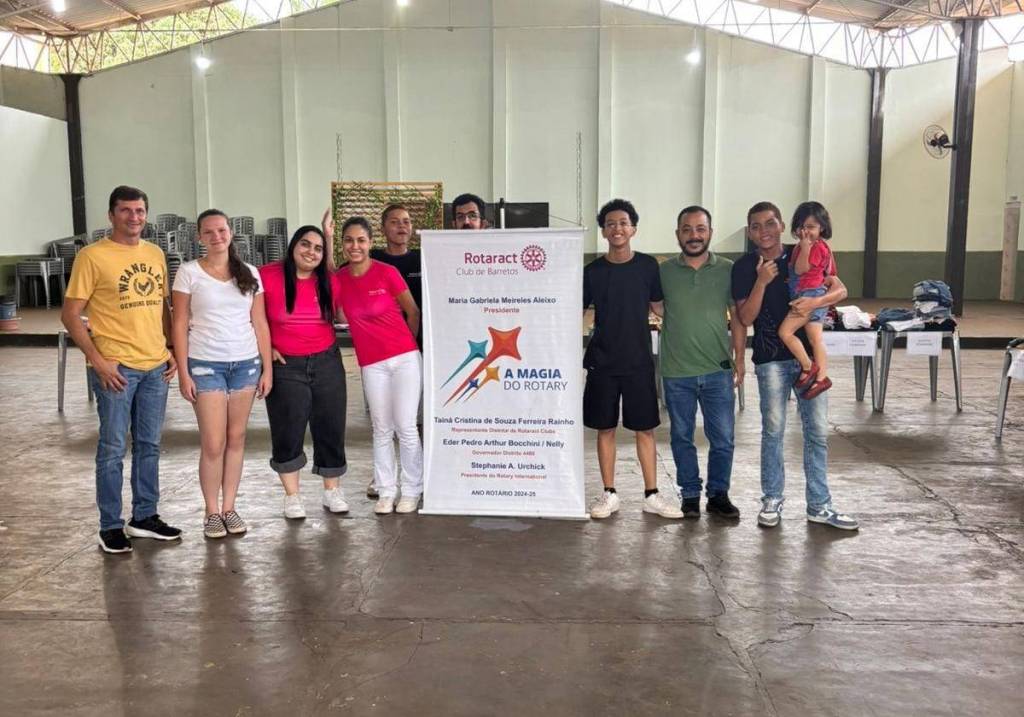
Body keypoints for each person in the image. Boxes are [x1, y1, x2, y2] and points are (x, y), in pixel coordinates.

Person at [61, 185, 182, 553]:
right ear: (111, 215)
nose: (134, 217)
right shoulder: (92, 257)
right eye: (126, 210)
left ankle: (144, 516)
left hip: (155, 366)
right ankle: (110, 525)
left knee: (149, 445)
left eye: (140, 210)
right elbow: (70, 314)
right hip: (117, 368)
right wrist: (97, 360)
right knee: (113, 447)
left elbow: (162, 307)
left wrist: (171, 348)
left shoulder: (155, 253)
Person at [732, 201, 858, 530]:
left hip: (809, 363)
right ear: (750, 233)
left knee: (816, 433)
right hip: (770, 360)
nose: (764, 231)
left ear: (781, 225)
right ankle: (772, 499)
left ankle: (820, 505)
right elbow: (744, 317)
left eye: (770, 223)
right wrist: (761, 281)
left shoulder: (804, 250)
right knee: (773, 433)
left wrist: (816, 301)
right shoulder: (744, 267)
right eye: (756, 226)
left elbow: (840, 289)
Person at [171, 209, 273, 538]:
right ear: (199, 237)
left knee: (236, 438)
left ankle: (229, 507)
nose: (217, 237)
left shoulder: (250, 273)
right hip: (205, 366)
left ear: (230, 233)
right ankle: (211, 511)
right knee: (213, 443)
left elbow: (260, 322)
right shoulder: (188, 272)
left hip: (246, 365)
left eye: (222, 230)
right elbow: (179, 323)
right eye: (209, 232)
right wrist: (184, 372)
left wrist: (267, 368)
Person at [583, 199, 682, 520]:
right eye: (610, 224)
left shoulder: (648, 266)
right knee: (605, 428)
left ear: (633, 229)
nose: (617, 229)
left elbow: (660, 307)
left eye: (623, 223)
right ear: (603, 231)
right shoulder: (592, 272)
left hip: (638, 361)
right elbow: (577, 311)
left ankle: (651, 494)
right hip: (602, 362)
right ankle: (609, 493)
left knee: (645, 429)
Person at [658, 206, 746, 520]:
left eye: (700, 229)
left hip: (717, 370)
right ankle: (690, 495)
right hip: (676, 372)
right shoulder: (664, 272)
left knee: (723, 439)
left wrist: (740, 358)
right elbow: (657, 306)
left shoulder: (727, 269)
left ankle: (718, 494)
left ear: (710, 232)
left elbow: (737, 317)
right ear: (677, 234)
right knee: (681, 437)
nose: (693, 235)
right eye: (687, 229)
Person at [259, 226, 349, 519]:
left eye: (318, 248)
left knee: (331, 426)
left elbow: (342, 315)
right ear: (293, 246)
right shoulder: (267, 276)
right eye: (305, 244)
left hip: (326, 361)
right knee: (288, 429)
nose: (311, 252)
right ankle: (292, 496)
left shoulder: (329, 281)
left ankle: (332, 490)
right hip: (286, 365)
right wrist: (264, 349)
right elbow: (247, 315)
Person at [335, 217, 423, 515]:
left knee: (406, 426)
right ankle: (387, 491)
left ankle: (411, 490)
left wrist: (405, 347)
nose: (355, 246)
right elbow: (334, 305)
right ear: (342, 244)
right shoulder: (340, 279)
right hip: (372, 364)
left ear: (370, 243)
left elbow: (413, 311)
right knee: (381, 428)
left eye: (361, 240)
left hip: (404, 360)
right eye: (349, 240)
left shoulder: (387, 272)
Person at [777, 201, 837, 399]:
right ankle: (821, 378)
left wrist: (804, 249)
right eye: (801, 227)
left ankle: (808, 366)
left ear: (822, 228)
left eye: (811, 227)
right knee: (815, 339)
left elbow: (801, 269)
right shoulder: (814, 246)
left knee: (785, 332)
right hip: (811, 293)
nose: (805, 232)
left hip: (809, 296)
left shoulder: (815, 247)